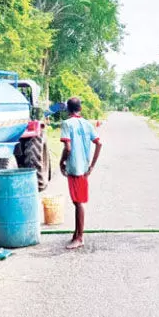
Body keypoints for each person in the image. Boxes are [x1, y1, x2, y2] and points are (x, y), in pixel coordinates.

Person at [59, 97, 102, 249]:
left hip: (74, 168)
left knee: (78, 203)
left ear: (67, 109)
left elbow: (68, 148)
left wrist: (61, 162)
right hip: (83, 168)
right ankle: (77, 233)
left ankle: (79, 237)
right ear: (80, 109)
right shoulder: (87, 124)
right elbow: (99, 143)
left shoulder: (67, 124)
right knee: (78, 201)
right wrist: (92, 166)